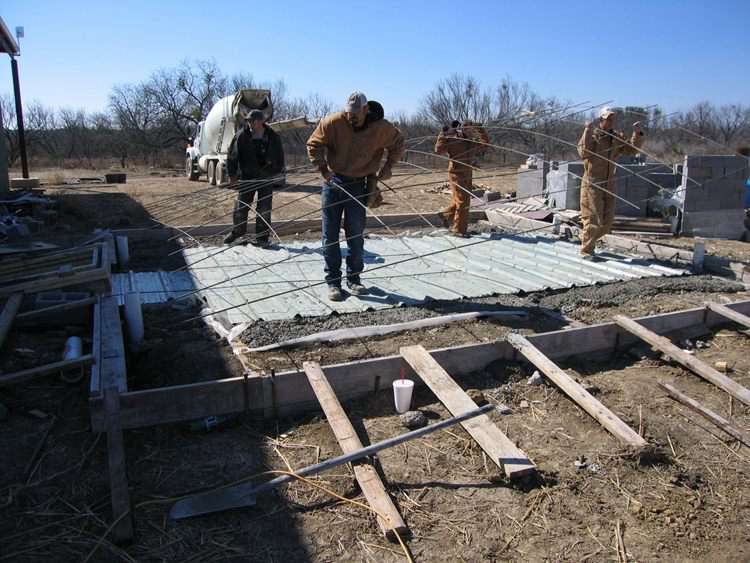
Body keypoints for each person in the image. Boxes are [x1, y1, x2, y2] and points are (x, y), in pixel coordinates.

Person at [307, 91, 404, 301]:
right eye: (349, 113)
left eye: (356, 114)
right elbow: (313, 144)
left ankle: (354, 279)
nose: (351, 117)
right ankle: (333, 282)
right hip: (334, 184)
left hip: (360, 186)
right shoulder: (333, 122)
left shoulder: (380, 128)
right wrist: (324, 170)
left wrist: (388, 166)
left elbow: (398, 142)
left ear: (366, 110)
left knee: (355, 236)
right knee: (330, 237)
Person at [577, 107, 644, 258]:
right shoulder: (594, 136)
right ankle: (586, 250)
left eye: (612, 119)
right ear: (601, 120)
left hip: (609, 182)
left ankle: (587, 239)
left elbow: (631, 150)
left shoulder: (616, 137)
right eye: (608, 118)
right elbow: (583, 152)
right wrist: (587, 131)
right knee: (593, 218)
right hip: (592, 182)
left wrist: (637, 134)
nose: (611, 121)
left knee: (607, 223)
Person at [224, 109, 285, 246]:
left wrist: (276, 170)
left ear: (261, 121)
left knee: (264, 207)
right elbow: (232, 156)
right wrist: (232, 176)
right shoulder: (241, 136)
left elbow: (280, 156)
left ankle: (262, 237)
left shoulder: (272, 136)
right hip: (247, 176)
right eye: (249, 121)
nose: (251, 123)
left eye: (254, 121)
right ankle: (237, 233)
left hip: (265, 177)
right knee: (241, 206)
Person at [434, 120, 489, 236]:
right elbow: (438, 150)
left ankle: (446, 214)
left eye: (472, 129)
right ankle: (459, 230)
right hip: (456, 173)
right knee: (463, 201)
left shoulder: (471, 143)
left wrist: (481, 129)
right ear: (462, 129)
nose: (470, 131)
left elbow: (485, 145)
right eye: (467, 129)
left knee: (463, 200)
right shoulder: (453, 140)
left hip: (467, 173)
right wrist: (442, 134)